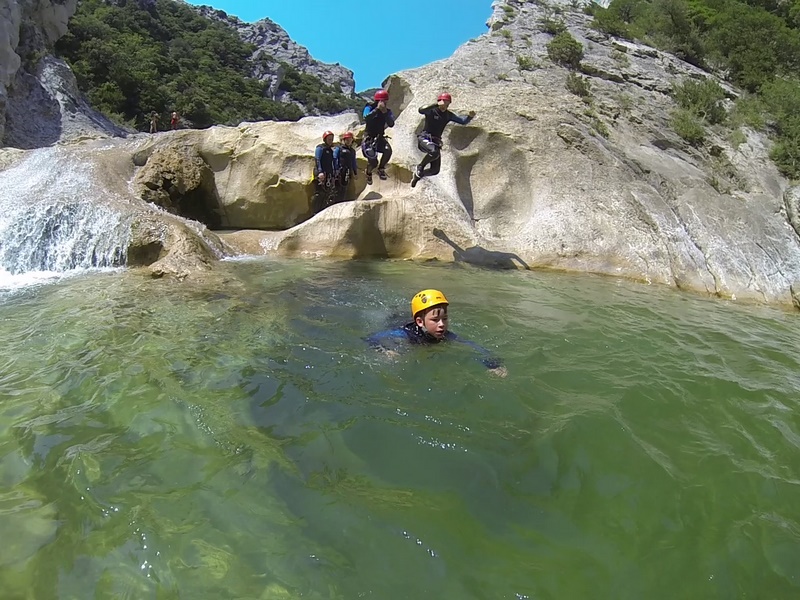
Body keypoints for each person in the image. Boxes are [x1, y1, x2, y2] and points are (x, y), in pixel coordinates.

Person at [366, 289, 507, 377]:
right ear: (420, 322)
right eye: (435, 320)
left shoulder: (446, 335)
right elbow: (371, 338)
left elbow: (473, 347)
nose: (441, 325)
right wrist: (385, 351)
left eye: (444, 319)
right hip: (396, 321)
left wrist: (494, 365)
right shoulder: (405, 333)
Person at [411, 93, 476, 188]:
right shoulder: (432, 110)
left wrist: (470, 116)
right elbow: (421, 110)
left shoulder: (448, 115)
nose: (444, 106)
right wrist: (436, 105)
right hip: (424, 138)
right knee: (434, 152)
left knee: (435, 170)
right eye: (443, 103)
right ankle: (420, 167)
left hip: (435, 142)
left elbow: (462, 121)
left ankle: (418, 175)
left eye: (446, 103)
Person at [362, 89, 395, 185]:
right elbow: (366, 118)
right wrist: (377, 110)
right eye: (382, 101)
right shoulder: (369, 107)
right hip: (368, 138)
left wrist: (385, 113)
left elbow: (391, 123)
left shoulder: (387, 111)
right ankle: (368, 172)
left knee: (388, 150)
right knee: (373, 161)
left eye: (385, 101)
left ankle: (381, 168)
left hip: (379, 137)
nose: (384, 103)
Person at [312, 131, 337, 214]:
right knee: (319, 193)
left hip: (328, 174)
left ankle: (322, 212)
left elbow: (332, 163)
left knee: (328, 193)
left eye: (332, 139)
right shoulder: (320, 148)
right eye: (329, 139)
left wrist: (333, 175)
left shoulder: (330, 150)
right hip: (321, 173)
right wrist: (320, 172)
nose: (331, 140)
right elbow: (317, 159)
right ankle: (315, 212)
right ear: (325, 139)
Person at [333, 132, 358, 203]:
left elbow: (353, 162)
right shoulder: (339, 149)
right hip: (340, 171)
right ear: (344, 140)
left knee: (344, 188)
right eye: (347, 139)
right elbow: (335, 158)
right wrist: (336, 169)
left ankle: (341, 202)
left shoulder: (352, 151)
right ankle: (336, 202)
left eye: (350, 139)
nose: (348, 141)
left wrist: (355, 172)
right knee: (337, 188)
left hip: (348, 171)